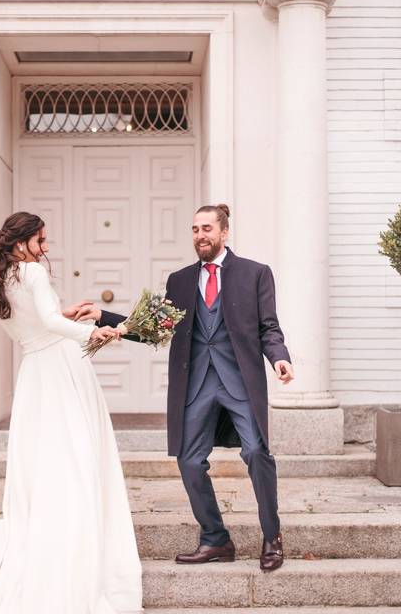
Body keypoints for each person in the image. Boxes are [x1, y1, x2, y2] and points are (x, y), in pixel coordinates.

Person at [0, 212, 142, 614]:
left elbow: (37, 325)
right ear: (21, 243)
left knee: (49, 459)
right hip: (59, 369)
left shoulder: (2, 281)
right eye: (41, 240)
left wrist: (64, 316)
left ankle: (51, 527)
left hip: (35, 374)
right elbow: (49, 321)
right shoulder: (31, 273)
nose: (46, 247)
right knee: (76, 454)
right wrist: (94, 331)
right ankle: (78, 542)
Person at [81, 204, 293, 572]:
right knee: (190, 461)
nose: (200, 235)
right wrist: (105, 317)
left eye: (207, 228)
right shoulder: (179, 280)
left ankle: (272, 537)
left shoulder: (255, 273)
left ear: (224, 232)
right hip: (197, 384)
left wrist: (279, 357)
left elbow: (268, 327)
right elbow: (155, 329)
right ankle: (215, 538)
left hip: (239, 382)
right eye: (195, 229)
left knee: (257, 452)